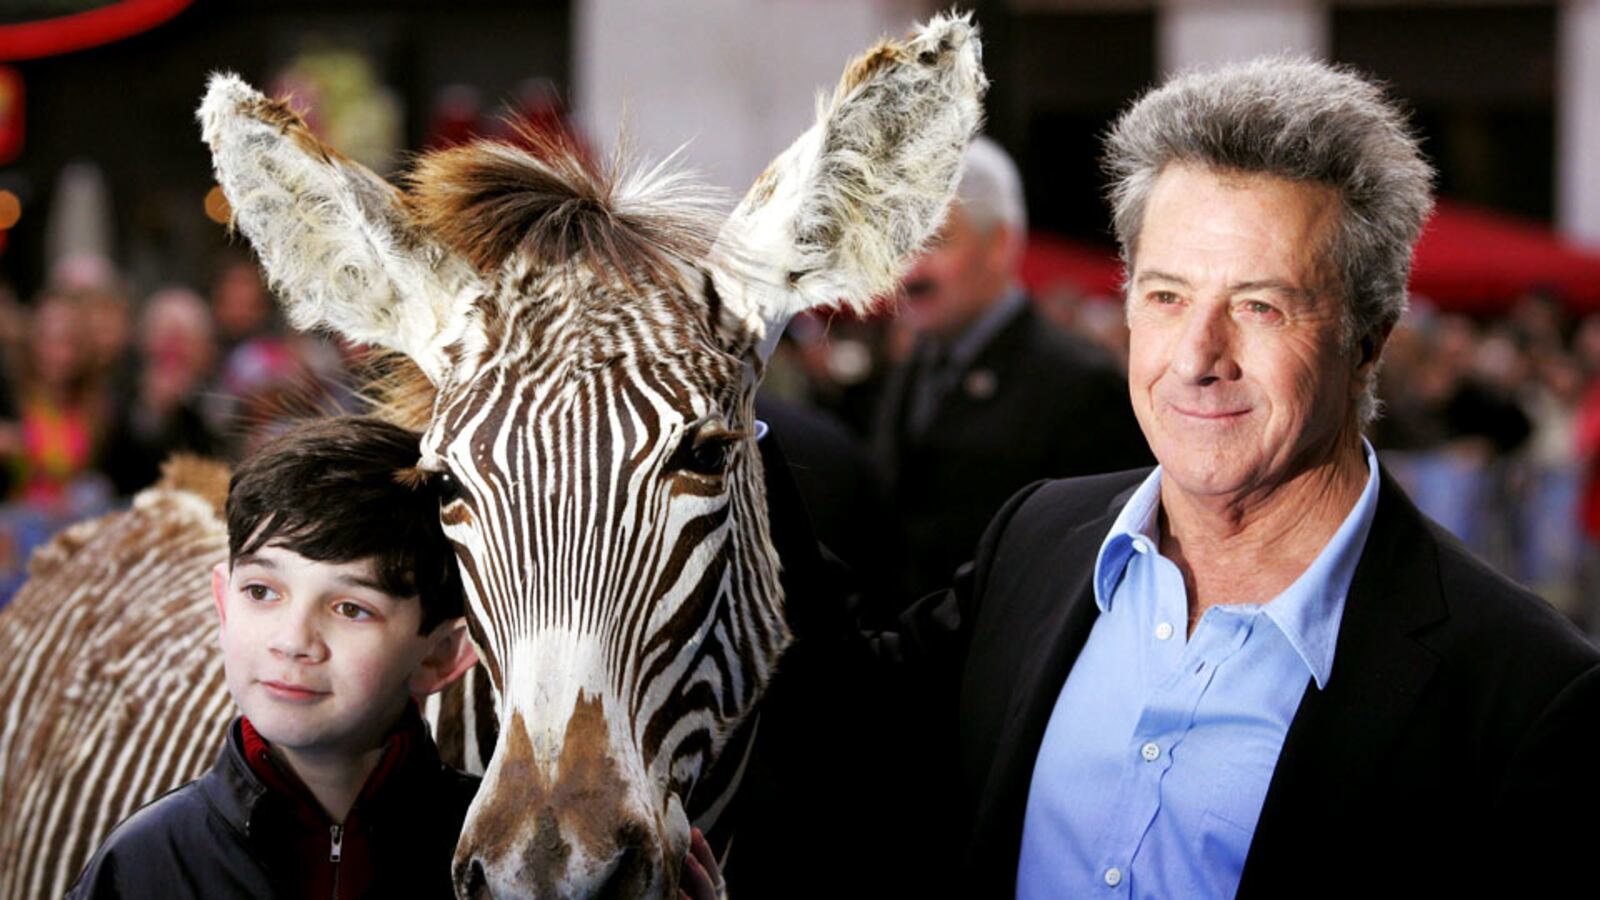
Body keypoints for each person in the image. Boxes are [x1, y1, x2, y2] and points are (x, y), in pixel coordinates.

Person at [869, 57, 1600, 898]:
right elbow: (837, 724)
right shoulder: (1034, 541)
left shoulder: (1524, 694)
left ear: (1367, 338)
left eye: (1260, 305)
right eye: (1166, 297)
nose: (1196, 358)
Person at [66, 416, 727, 899]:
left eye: (351, 608)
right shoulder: (143, 865)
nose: (292, 640)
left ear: (442, 655)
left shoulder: (503, 874)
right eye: (262, 592)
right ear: (222, 600)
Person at [872, 136, 1149, 599]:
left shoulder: (1082, 384)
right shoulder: (913, 365)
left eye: (934, 242)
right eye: (901, 244)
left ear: (999, 245)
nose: (909, 271)